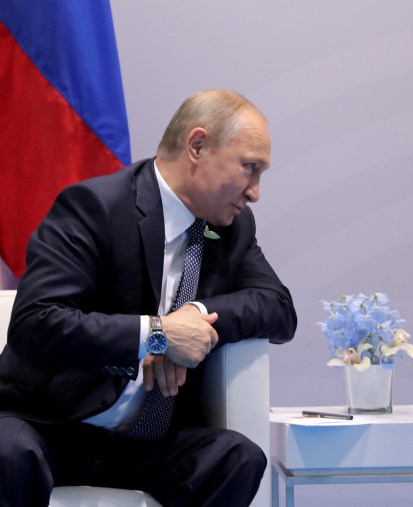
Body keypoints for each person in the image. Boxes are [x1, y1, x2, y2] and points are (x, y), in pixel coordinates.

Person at [0, 89, 297, 506]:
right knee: (6, 452)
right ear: (197, 146)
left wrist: (193, 318)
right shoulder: (96, 207)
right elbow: (37, 322)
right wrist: (157, 335)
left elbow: (279, 308)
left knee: (237, 457)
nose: (255, 192)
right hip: (51, 424)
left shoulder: (233, 228)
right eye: (250, 168)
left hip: (145, 441)